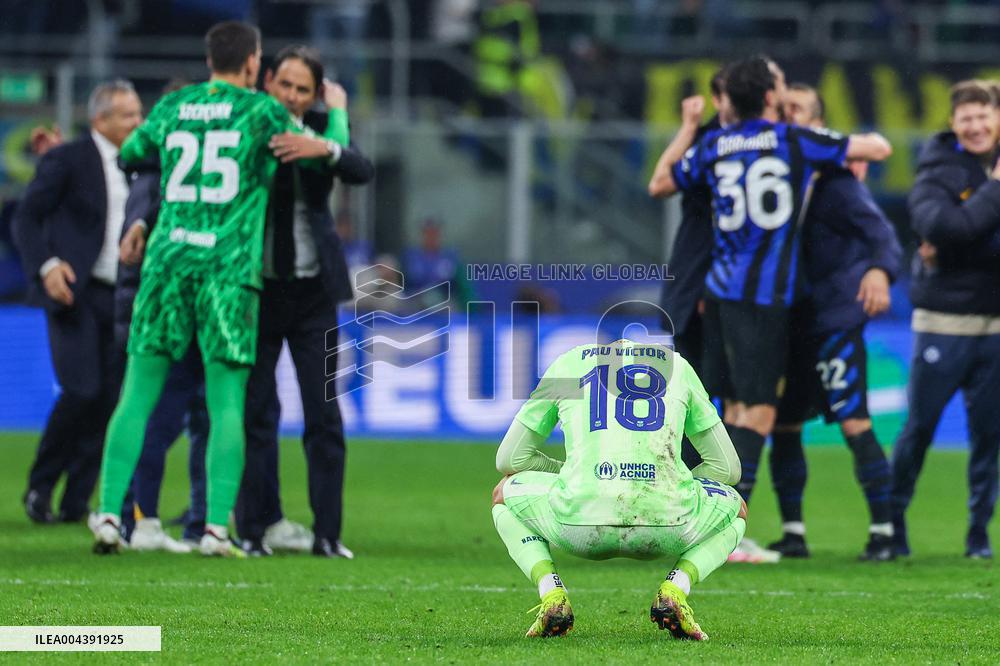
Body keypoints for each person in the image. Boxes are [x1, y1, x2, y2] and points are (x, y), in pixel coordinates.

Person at [89, 20, 348, 556]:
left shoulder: (173, 106)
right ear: (253, 63)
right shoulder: (263, 111)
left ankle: (112, 515)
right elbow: (325, 151)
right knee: (228, 401)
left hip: (167, 263)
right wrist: (337, 118)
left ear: (210, 60)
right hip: (227, 271)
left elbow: (132, 153)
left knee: (137, 393)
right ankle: (213, 529)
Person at [644, 55, 892, 561]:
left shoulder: (714, 144)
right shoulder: (795, 141)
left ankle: (699, 519)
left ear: (730, 99)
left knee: (732, 410)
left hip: (717, 296)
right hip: (764, 300)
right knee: (757, 413)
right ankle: (723, 534)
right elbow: (878, 147)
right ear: (771, 98)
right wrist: (833, 143)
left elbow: (669, 179)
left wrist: (691, 127)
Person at [491, 339, 744, 639]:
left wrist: (573, 475)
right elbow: (728, 469)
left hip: (578, 525)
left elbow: (510, 459)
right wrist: (675, 481)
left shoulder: (569, 363)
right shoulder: (678, 366)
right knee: (738, 508)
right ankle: (676, 588)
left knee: (502, 494)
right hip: (668, 525)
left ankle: (551, 593)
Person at [235, 45, 374, 558]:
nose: (292, 95)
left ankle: (327, 534)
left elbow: (360, 169)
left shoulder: (321, 129)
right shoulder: (252, 123)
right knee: (256, 411)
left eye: (303, 88)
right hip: (258, 289)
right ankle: (254, 529)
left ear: (314, 94)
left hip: (313, 294)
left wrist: (328, 145)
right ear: (269, 82)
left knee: (322, 414)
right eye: (285, 85)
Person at [768, 83, 903, 561]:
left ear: (817, 123)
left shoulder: (836, 181)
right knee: (783, 426)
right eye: (782, 111)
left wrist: (879, 270)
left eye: (798, 111)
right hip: (787, 321)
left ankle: (885, 533)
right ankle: (793, 533)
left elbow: (882, 234)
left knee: (854, 422)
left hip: (832, 320)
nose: (789, 118)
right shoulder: (769, 181)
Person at [13, 80, 142, 524]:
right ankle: (41, 484)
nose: (137, 122)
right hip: (75, 294)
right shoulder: (69, 159)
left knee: (109, 400)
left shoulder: (141, 163)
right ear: (99, 120)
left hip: (124, 295)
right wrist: (46, 266)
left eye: (138, 114)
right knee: (82, 389)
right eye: (127, 115)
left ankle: (75, 501)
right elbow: (26, 217)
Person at [891, 80, 1000, 559]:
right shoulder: (938, 168)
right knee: (919, 430)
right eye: (967, 118)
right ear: (954, 124)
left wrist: (964, 238)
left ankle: (979, 535)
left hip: (995, 326)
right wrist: (996, 191)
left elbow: (959, 234)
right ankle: (890, 526)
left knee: (989, 438)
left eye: (984, 116)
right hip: (943, 323)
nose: (976, 126)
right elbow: (941, 228)